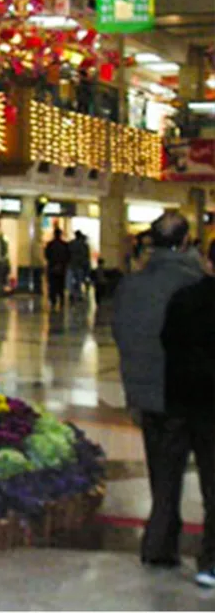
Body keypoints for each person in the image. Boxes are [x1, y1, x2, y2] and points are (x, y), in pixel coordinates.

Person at [112, 212, 209, 576]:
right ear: (186, 242)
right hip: (192, 394)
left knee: (163, 473)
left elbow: (122, 335)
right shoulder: (195, 282)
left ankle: (159, 542)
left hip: (150, 396)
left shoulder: (131, 285)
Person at [161, 261, 215, 587]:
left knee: (169, 475)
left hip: (184, 400)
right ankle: (211, 559)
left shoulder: (184, 298)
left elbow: (167, 341)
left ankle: (161, 543)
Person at [44, 227, 70, 310]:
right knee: (61, 285)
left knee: (52, 285)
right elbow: (68, 256)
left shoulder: (50, 244)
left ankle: (53, 300)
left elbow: (47, 255)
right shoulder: (65, 245)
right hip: (62, 268)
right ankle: (61, 300)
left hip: (52, 267)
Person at [69, 230, 92, 302]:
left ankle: (72, 294)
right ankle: (78, 295)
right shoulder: (84, 245)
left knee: (72, 280)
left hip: (72, 265)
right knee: (79, 280)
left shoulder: (71, 244)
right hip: (80, 265)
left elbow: (68, 254)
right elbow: (86, 256)